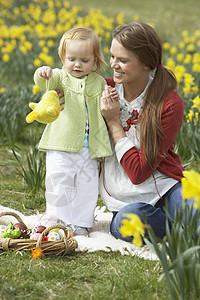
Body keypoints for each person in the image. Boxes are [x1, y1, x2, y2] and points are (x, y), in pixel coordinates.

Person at [99, 22, 189, 242]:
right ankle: (180, 230)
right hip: (125, 202)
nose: (114, 65)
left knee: (195, 208)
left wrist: (114, 123)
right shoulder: (103, 91)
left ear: (146, 63)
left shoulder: (168, 103)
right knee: (126, 222)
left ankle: (178, 227)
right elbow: (68, 82)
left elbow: (140, 172)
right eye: (112, 56)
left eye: (123, 60)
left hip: (167, 190)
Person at [33, 27, 118, 236]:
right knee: (58, 178)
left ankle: (81, 221)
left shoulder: (98, 82)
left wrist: (110, 95)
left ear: (95, 62)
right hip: (61, 144)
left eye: (84, 60)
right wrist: (43, 72)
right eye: (71, 59)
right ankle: (56, 216)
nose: (77, 64)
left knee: (86, 184)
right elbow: (45, 81)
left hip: (89, 148)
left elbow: (105, 101)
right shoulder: (60, 77)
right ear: (63, 58)